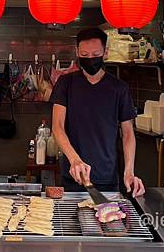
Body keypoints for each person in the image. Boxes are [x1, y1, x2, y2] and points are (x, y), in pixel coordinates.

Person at [50, 27, 145, 196]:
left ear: (105, 53)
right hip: (74, 176)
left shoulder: (119, 88)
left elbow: (128, 133)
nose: (90, 59)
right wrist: (75, 160)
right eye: (85, 56)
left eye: (95, 55)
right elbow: (57, 127)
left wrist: (129, 171)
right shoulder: (66, 83)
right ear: (77, 52)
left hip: (107, 177)